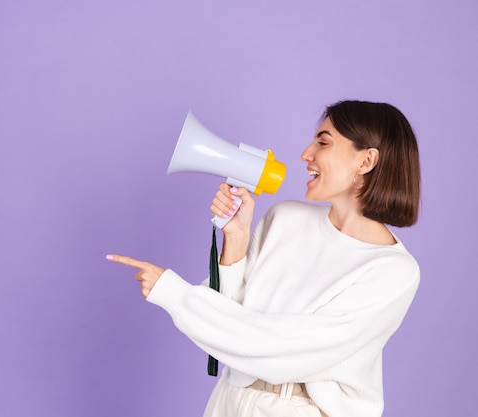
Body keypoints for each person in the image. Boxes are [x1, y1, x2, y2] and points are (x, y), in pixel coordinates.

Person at [107, 100, 421, 417]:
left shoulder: (393, 271)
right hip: (230, 398)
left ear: (366, 160)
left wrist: (174, 294)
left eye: (323, 142)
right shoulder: (285, 218)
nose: (305, 154)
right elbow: (229, 319)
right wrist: (237, 238)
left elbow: (283, 351)